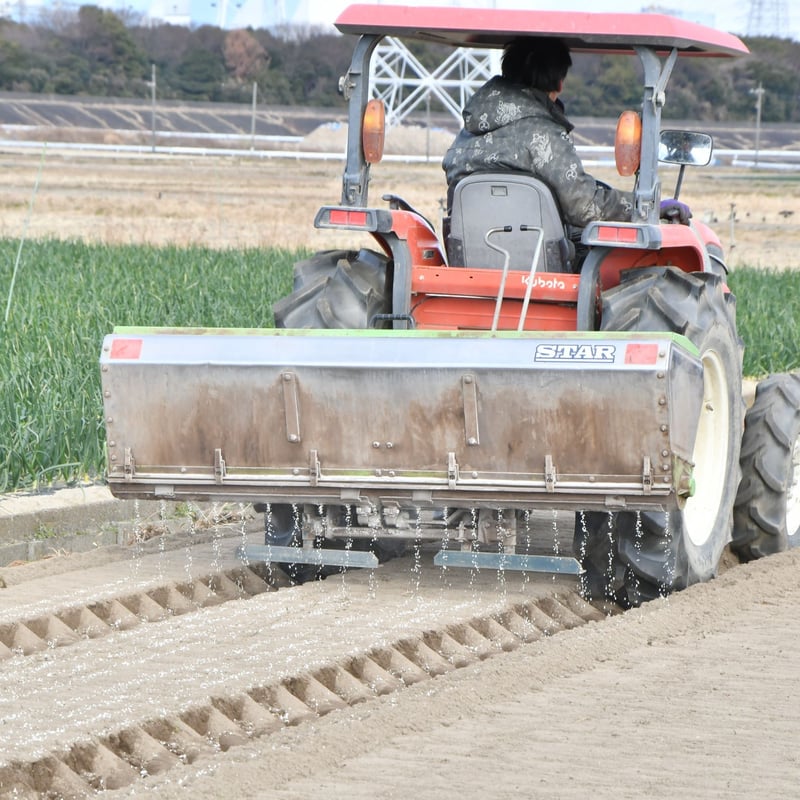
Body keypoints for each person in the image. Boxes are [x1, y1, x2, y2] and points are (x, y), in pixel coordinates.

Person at [443, 37, 688, 230]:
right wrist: (648, 206)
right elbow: (583, 206)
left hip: (467, 256)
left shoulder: (467, 133)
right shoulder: (543, 135)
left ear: (508, 73)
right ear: (559, 83)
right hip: (538, 263)